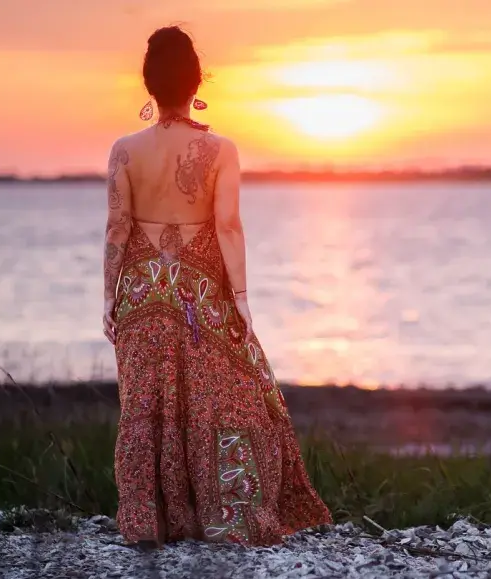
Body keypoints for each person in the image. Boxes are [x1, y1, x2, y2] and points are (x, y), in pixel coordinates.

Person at [100, 26, 332, 548]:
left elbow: (117, 227)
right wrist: (243, 300)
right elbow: (227, 225)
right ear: (196, 81)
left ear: (148, 85)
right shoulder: (220, 149)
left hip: (139, 291)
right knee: (227, 397)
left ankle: (148, 520)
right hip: (199, 293)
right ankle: (226, 515)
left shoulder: (124, 150)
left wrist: (109, 296)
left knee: (145, 403)